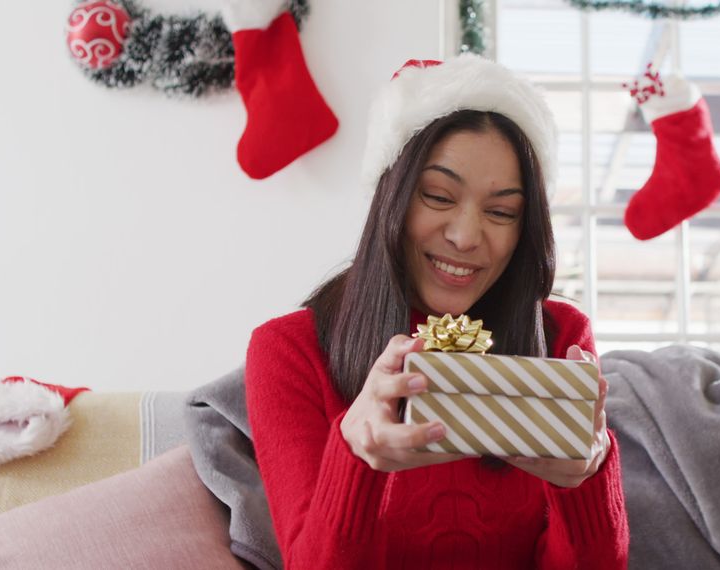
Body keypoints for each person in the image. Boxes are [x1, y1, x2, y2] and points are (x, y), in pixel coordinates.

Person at [245, 54, 629, 569]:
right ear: (392, 196)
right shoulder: (289, 350)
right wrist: (355, 457)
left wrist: (589, 473)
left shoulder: (561, 336)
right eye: (438, 196)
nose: (467, 237)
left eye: (501, 212)